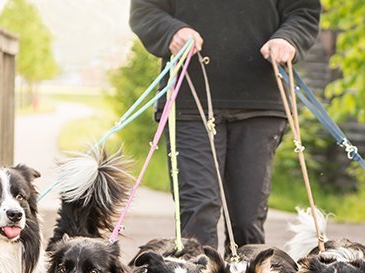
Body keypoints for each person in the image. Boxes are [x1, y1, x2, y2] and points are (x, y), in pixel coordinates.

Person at [130, 0, 321, 250]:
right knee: (198, 211)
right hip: (190, 101)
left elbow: (303, 10)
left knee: (246, 219)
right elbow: (144, 9)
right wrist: (171, 31)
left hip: (260, 103)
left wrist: (288, 38)